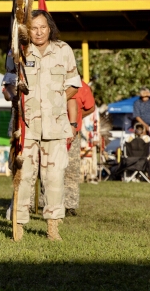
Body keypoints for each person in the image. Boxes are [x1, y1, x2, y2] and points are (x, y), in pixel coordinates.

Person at [13, 10, 80, 241]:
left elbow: (74, 83)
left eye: (43, 27)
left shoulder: (63, 50)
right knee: (23, 178)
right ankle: (18, 225)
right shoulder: (18, 51)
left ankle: (52, 227)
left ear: (49, 28)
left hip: (55, 125)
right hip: (27, 127)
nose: (39, 32)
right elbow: (7, 86)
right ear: (27, 30)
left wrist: (58, 98)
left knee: (54, 179)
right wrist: (14, 90)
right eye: (33, 28)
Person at [64, 79, 95, 216]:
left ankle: (70, 204)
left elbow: (91, 107)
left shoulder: (83, 87)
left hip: (72, 133)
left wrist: (78, 117)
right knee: (49, 170)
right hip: (51, 132)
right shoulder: (53, 80)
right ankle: (46, 202)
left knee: (71, 169)